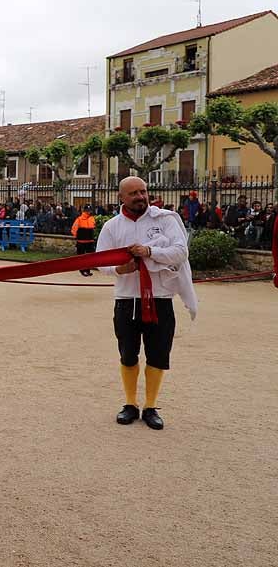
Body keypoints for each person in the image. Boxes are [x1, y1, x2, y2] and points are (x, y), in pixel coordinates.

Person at [96, 177, 196, 431]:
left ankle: (150, 406)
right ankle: (130, 404)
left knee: (158, 355)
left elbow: (180, 251)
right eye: (133, 193)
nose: (140, 196)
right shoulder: (111, 226)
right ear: (121, 198)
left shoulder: (166, 220)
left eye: (143, 191)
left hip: (160, 300)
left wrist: (150, 253)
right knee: (128, 354)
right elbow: (101, 262)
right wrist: (121, 268)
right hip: (126, 301)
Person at [70, 204, 97, 276]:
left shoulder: (92, 218)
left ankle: (87, 270)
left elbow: (94, 228)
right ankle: (82, 270)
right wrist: (77, 237)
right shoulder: (79, 219)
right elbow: (73, 229)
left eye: (89, 210)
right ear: (84, 211)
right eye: (87, 210)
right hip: (81, 242)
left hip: (90, 241)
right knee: (81, 257)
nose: (88, 212)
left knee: (89, 257)